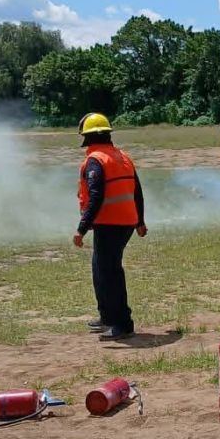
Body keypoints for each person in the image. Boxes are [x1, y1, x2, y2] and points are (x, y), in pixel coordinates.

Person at [73, 113, 147, 341]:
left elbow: (96, 196)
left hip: (110, 224)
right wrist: (140, 221)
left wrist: (81, 228)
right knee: (100, 269)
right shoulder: (121, 156)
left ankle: (122, 324)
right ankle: (106, 317)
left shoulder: (96, 160)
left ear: (87, 137)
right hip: (125, 222)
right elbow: (137, 191)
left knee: (110, 273)